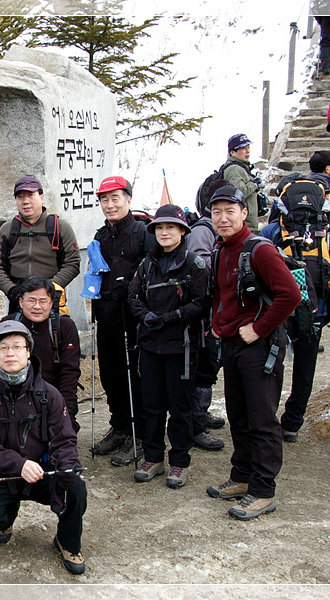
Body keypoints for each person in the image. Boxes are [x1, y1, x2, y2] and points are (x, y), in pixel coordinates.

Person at [206, 184, 301, 520]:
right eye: (216, 212)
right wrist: (218, 321)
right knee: (239, 415)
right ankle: (243, 476)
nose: (223, 218)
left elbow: (290, 295)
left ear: (244, 213)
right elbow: (219, 292)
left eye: (230, 211)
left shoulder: (260, 250)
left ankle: (263, 490)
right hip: (232, 343)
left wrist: (258, 328)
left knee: (261, 419)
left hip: (261, 345)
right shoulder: (220, 250)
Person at [0, 320, 87, 575]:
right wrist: (19, 464)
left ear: (28, 352)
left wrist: (66, 466)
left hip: (42, 472)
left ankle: (68, 541)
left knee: (75, 488)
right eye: (3, 347)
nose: (10, 353)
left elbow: (64, 438)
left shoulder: (49, 394)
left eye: (17, 347)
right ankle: (5, 518)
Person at [260, 151, 330, 443]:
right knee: (305, 367)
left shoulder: (272, 231)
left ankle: (266, 418)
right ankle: (292, 422)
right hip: (315, 308)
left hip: (277, 311)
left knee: (272, 362)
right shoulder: (325, 234)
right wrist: (326, 307)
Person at [127, 205, 210, 489]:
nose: (164, 232)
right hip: (150, 344)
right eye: (159, 228)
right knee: (152, 405)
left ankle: (179, 461)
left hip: (181, 347)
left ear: (182, 231)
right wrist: (145, 315)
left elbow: (201, 303)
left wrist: (172, 317)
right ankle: (153, 457)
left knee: (180, 406)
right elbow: (133, 295)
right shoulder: (147, 264)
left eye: (170, 227)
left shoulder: (194, 264)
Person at [90, 176, 155, 466]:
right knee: (111, 374)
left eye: (115, 198)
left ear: (128, 199)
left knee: (135, 377)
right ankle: (119, 425)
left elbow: (153, 273)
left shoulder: (143, 232)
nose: (110, 204)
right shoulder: (101, 235)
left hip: (133, 318)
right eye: (104, 199)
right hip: (106, 315)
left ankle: (139, 433)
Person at [1, 277, 81, 432]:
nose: (37, 306)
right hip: (17, 395)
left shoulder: (64, 326)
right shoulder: (8, 324)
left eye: (43, 301)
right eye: (31, 300)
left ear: (51, 304)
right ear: (21, 302)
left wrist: (65, 412)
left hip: (54, 395)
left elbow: (70, 372)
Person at [0, 176, 80, 311]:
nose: (25, 201)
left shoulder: (59, 227)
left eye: (31, 195)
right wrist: (11, 290)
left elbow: (72, 262)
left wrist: (51, 286)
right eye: (20, 197)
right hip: (18, 296)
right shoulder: (7, 230)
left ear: (42, 197)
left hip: (51, 296)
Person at [187, 183, 229, 451]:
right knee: (204, 368)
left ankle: (199, 415)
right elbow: (201, 273)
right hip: (203, 315)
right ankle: (196, 425)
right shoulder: (203, 232)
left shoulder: (218, 232)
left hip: (216, 313)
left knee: (210, 367)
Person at [222, 134, 263, 232]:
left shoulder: (241, 167)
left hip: (246, 224)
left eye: (248, 147)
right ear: (232, 152)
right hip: (243, 226)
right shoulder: (234, 169)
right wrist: (255, 185)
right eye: (243, 149)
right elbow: (238, 193)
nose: (248, 151)